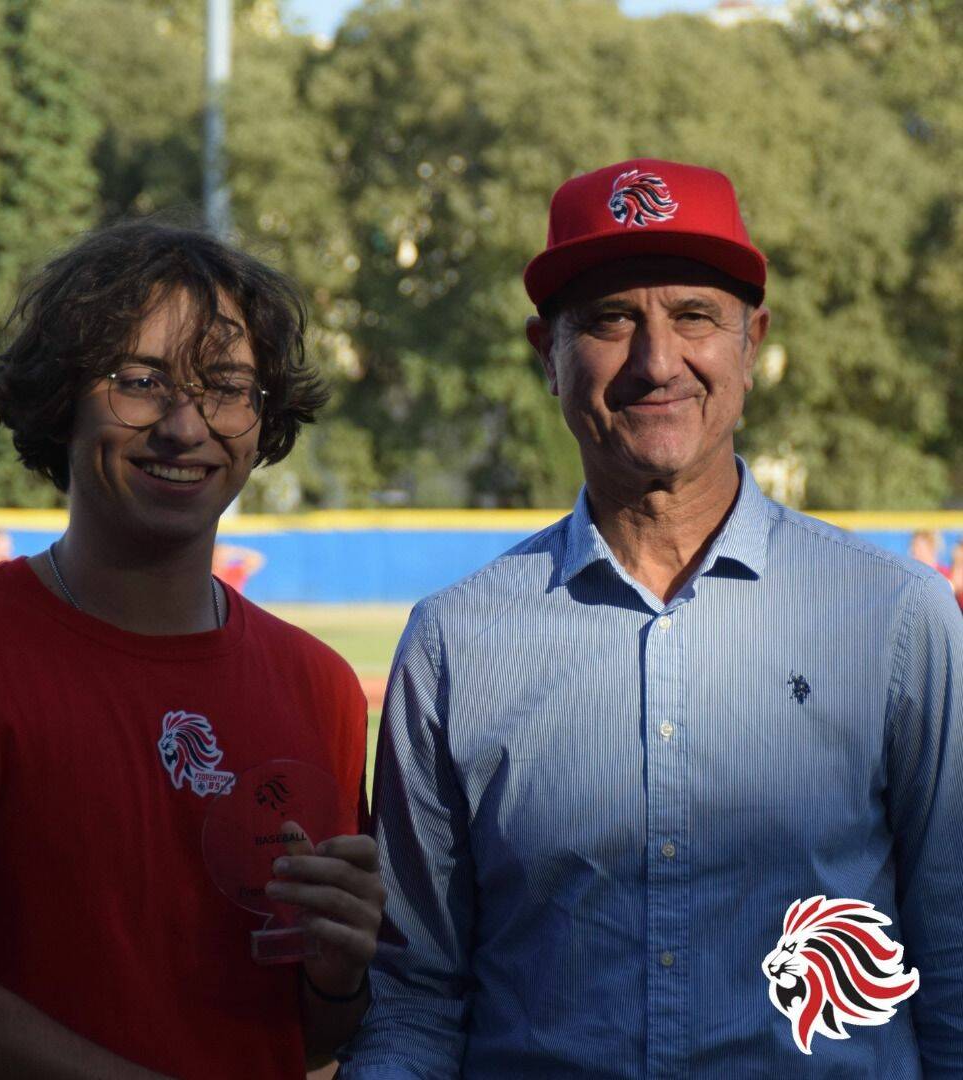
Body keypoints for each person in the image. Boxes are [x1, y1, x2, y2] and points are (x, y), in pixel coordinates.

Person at [340, 160, 962, 1077]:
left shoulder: (897, 618)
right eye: (610, 320)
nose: (657, 361)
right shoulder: (454, 642)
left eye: (695, 316)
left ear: (752, 342)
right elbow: (413, 1003)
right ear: (546, 355)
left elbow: (953, 970)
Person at [0, 222, 384, 1079]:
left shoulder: (320, 687)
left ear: (263, 419)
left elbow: (307, 1035)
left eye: (226, 387)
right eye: (140, 382)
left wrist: (338, 977)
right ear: (61, 400)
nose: (185, 426)